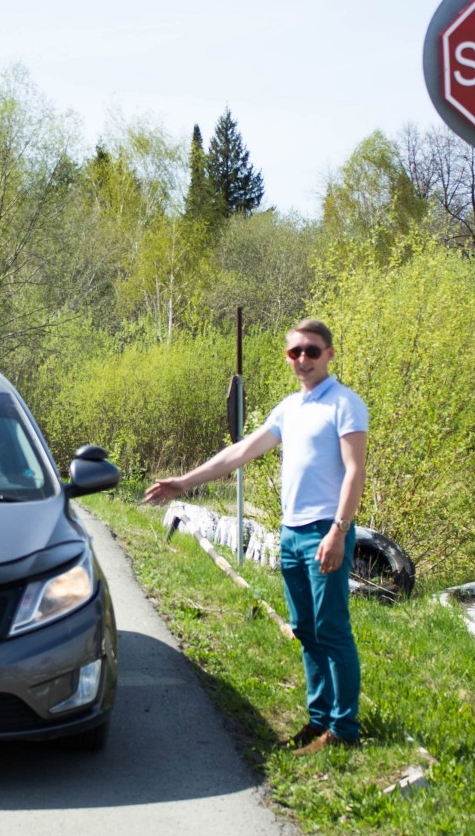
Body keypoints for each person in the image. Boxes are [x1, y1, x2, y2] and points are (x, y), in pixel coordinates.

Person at [144, 318, 367, 754]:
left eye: (312, 351)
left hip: (325, 531)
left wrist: (339, 531)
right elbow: (240, 452)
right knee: (305, 628)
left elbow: (355, 470)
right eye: (295, 352)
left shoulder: (345, 404)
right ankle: (318, 719)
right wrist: (184, 482)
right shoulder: (289, 408)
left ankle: (344, 730)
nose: (303, 359)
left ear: (330, 354)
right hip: (291, 533)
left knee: (332, 628)